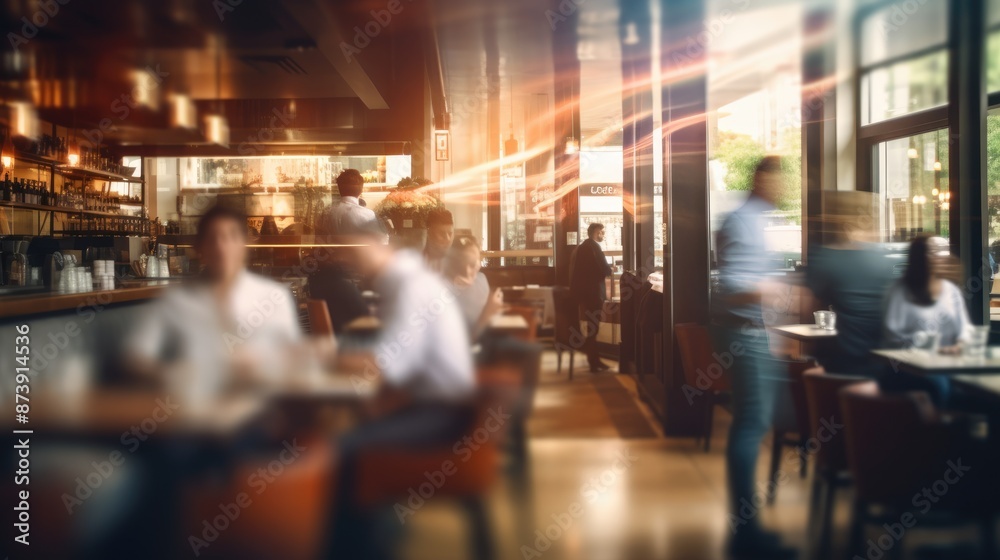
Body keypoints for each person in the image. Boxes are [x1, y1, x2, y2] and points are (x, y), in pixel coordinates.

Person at [324, 232, 477, 559]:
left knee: (343, 450)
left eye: (356, 253)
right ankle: (380, 531)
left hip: (445, 416)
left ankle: (359, 550)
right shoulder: (405, 284)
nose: (349, 261)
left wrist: (323, 356)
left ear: (380, 246)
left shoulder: (409, 288)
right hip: (432, 406)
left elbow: (387, 365)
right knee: (342, 432)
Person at [711, 156, 796, 558]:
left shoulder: (756, 219)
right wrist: (768, 291)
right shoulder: (741, 221)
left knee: (754, 422)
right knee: (751, 423)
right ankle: (745, 532)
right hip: (744, 335)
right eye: (780, 180)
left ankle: (746, 529)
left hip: (755, 332)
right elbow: (730, 286)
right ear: (763, 179)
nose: (783, 188)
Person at [128, 205, 304, 388]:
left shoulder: (273, 296)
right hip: (196, 407)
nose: (222, 246)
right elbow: (136, 358)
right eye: (213, 239)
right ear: (200, 248)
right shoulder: (176, 300)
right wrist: (176, 375)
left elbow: (295, 355)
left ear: (245, 244)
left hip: (265, 402)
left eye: (231, 237)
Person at [806, 194, 896, 377]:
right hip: (884, 368)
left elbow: (808, 307)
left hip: (843, 367)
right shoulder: (884, 261)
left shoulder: (826, 259)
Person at [881, 235, 973, 406]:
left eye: (942, 251)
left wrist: (959, 344)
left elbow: (964, 329)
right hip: (909, 368)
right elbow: (892, 334)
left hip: (950, 364)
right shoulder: (899, 290)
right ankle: (939, 428)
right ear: (919, 257)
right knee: (938, 386)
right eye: (933, 252)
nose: (939, 256)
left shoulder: (951, 290)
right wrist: (931, 345)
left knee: (979, 392)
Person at [569, 222, 612, 372]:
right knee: (593, 327)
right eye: (601, 232)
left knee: (591, 327)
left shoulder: (582, 247)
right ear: (595, 232)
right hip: (593, 294)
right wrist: (610, 269)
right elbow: (605, 269)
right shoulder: (594, 247)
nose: (603, 234)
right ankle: (593, 360)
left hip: (584, 294)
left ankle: (593, 358)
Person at [443, 235, 504, 338]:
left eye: (476, 259)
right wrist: (488, 313)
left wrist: (495, 311)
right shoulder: (443, 291)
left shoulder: (481, 279)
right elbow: (464, 343)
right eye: (466, 261)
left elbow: (491, 328)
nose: (475, 266)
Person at [316, 169, 383, 239]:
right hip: (361, 250)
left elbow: (319, 239)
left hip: (334, 250)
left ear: (339, 189)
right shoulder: (368, 214)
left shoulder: (327, 213)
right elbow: (381, 240)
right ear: (361, 189)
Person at [423, 208, 455, 273]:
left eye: (450, 234)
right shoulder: (418, 263)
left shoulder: (459, 262)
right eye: (442, 234)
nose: (448, 239)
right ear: (429, 234)